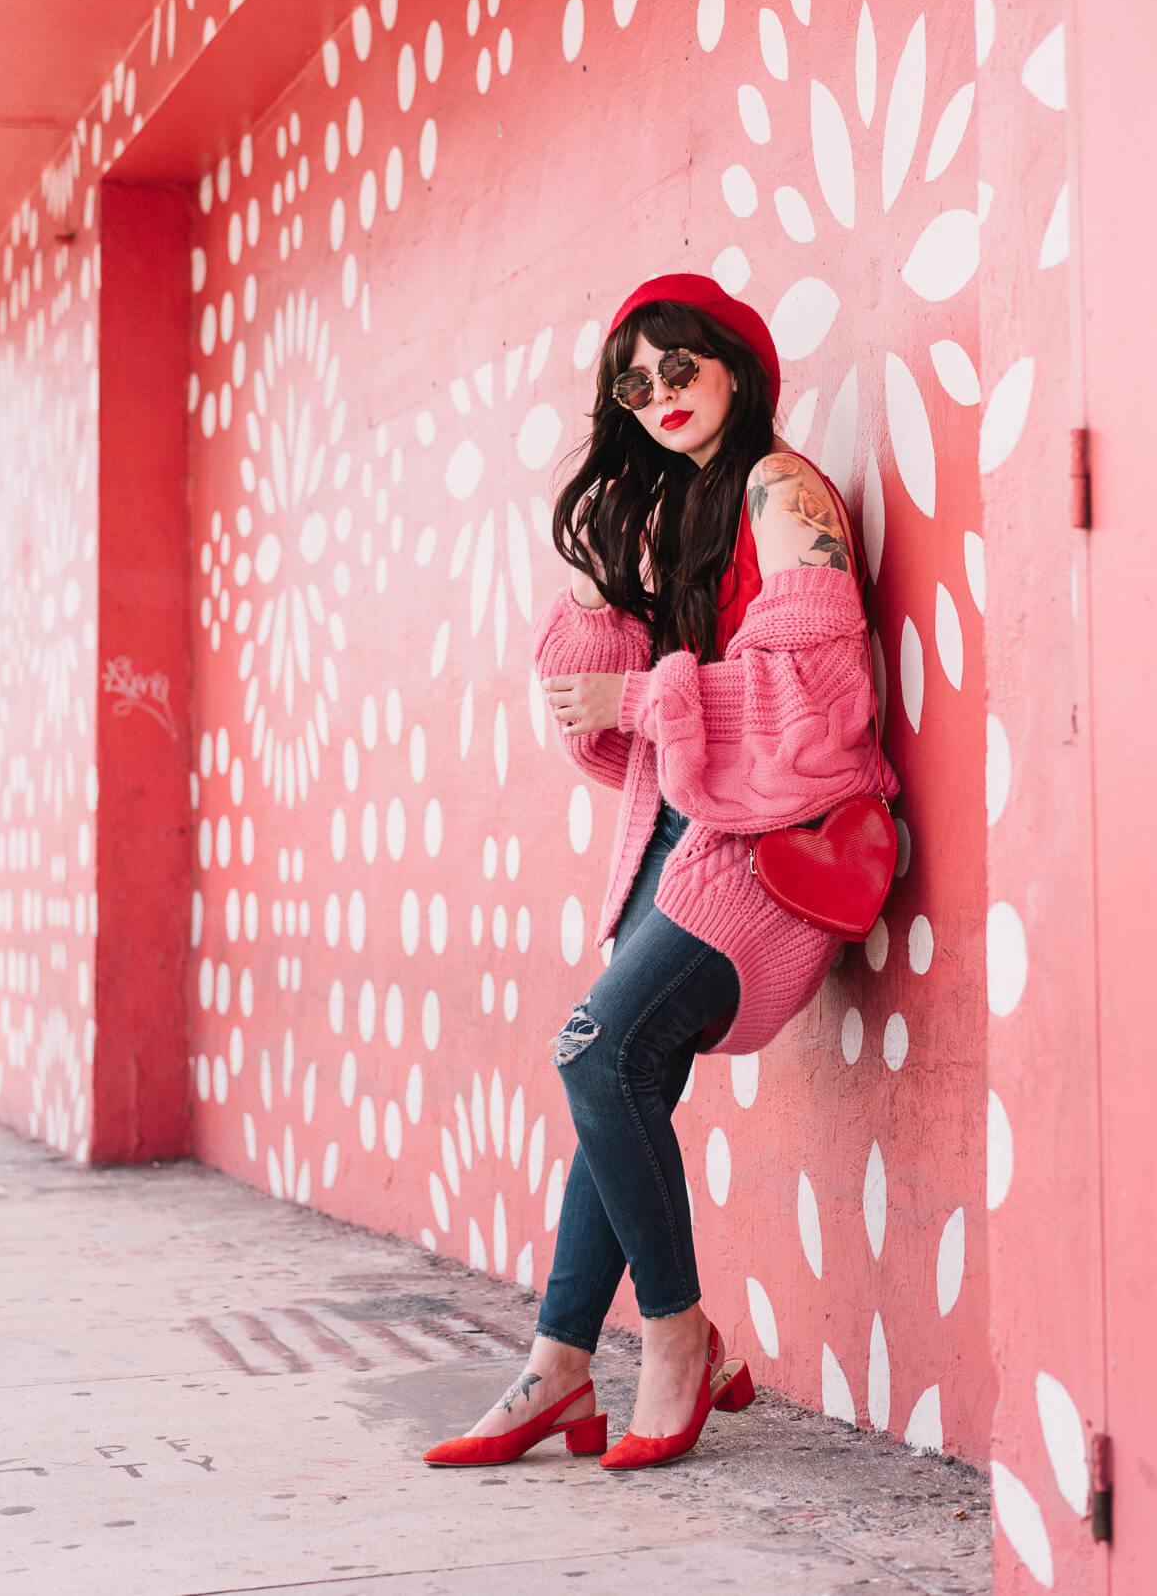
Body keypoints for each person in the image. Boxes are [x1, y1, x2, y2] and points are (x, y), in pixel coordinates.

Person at [423, 272, 895, 1472]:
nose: (660, 396)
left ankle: (678, 1339)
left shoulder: (780, 489)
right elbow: (610, 740)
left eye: (679, 366)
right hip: (679, 841)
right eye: (633, 385)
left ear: (734, 360)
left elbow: (818, 713)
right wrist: (596, 578)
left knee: (594, 1051)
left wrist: (642, 690)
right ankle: (558, 1365)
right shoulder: (678, 509)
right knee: (616, 1086)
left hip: (762, 847)